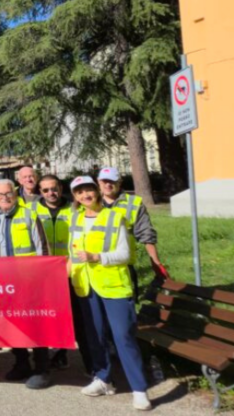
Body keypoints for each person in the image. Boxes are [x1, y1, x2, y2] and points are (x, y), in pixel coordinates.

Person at [67, 176, 151, 411]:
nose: (85, 196)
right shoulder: (75, 219)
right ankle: (103, 379)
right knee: (95, 336)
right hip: (86, 286)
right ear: (75, 197)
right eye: (79, 192)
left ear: (96, 191)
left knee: (123, 336)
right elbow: (72, 255)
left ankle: (139, 388)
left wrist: (98, 257)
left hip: (114, 286)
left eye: (88, 191)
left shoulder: (115, 217)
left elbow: (125, 254)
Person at [0, 179, 51, 389]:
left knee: (35, 324)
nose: (4, 198)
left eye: (8, 193)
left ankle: (42, 369)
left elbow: (43, 249)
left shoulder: (28, 215)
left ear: (15, 194)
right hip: (3, 283)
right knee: (13, 325)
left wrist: (41, 279)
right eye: (0, 195)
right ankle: (21, 362)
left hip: (29, 282)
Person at [34, 174, 91, 373]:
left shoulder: (76, 209)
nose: (51, 193)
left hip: (72, 271)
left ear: (60, 187)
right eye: (46, 190)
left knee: (79, 320)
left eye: (54, 188)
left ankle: (91, 366)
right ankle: (54, 359)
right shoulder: (33, 210)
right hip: (45, 275)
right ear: (39, 192)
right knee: (48, 319)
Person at [98, 167, 171, 282]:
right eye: (104, 181)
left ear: (119, 182)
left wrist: (156, 263)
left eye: (112, 181)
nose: (108, 184)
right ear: (98, 182)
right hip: (95, 263)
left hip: (123, 265)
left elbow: (146, 233)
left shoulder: (133, 203)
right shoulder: (90, 203)